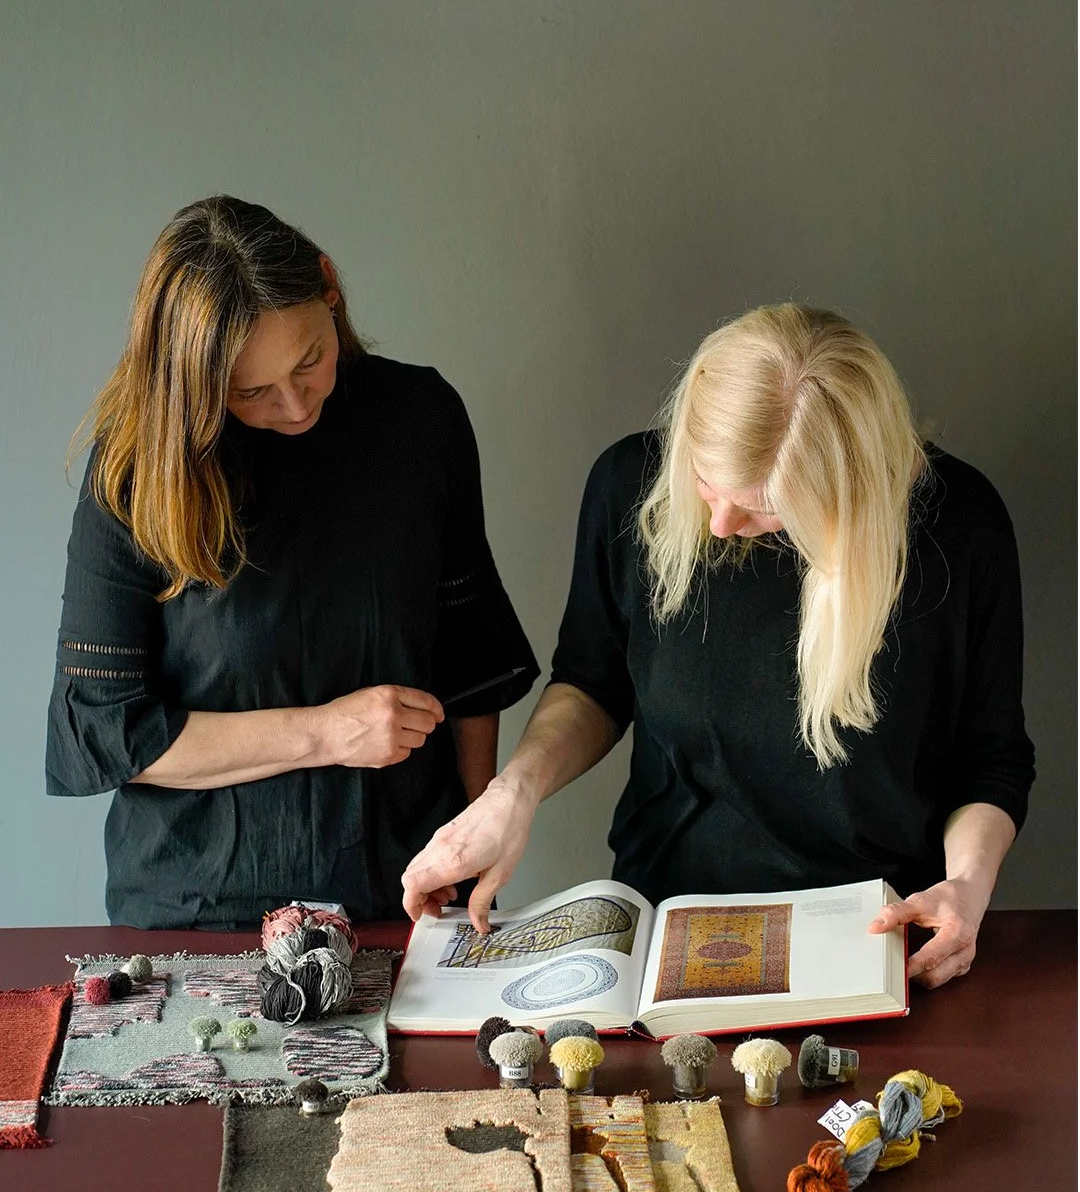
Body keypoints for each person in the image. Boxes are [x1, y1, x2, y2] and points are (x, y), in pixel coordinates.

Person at [401, 303, 1035, 989]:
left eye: (765, 507)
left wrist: (968, 885)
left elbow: (989, 756)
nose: (720, 521)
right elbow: (593, 681)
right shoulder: (626, 485)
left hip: (871, 936)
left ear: (845, 494)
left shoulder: (960, 529)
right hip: (661, 922)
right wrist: (511, 795)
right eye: (705, 479)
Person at [46, 195, 538, 928]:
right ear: (197, 385)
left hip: (401, 893)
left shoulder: (420, 420)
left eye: (310, 359)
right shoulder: (138, 470)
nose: (298, 405)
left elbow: (470, 661)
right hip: (199, 911)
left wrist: (466, 840)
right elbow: (104, 729)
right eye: (251, 391)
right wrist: (327, 731)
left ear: (328, 286)